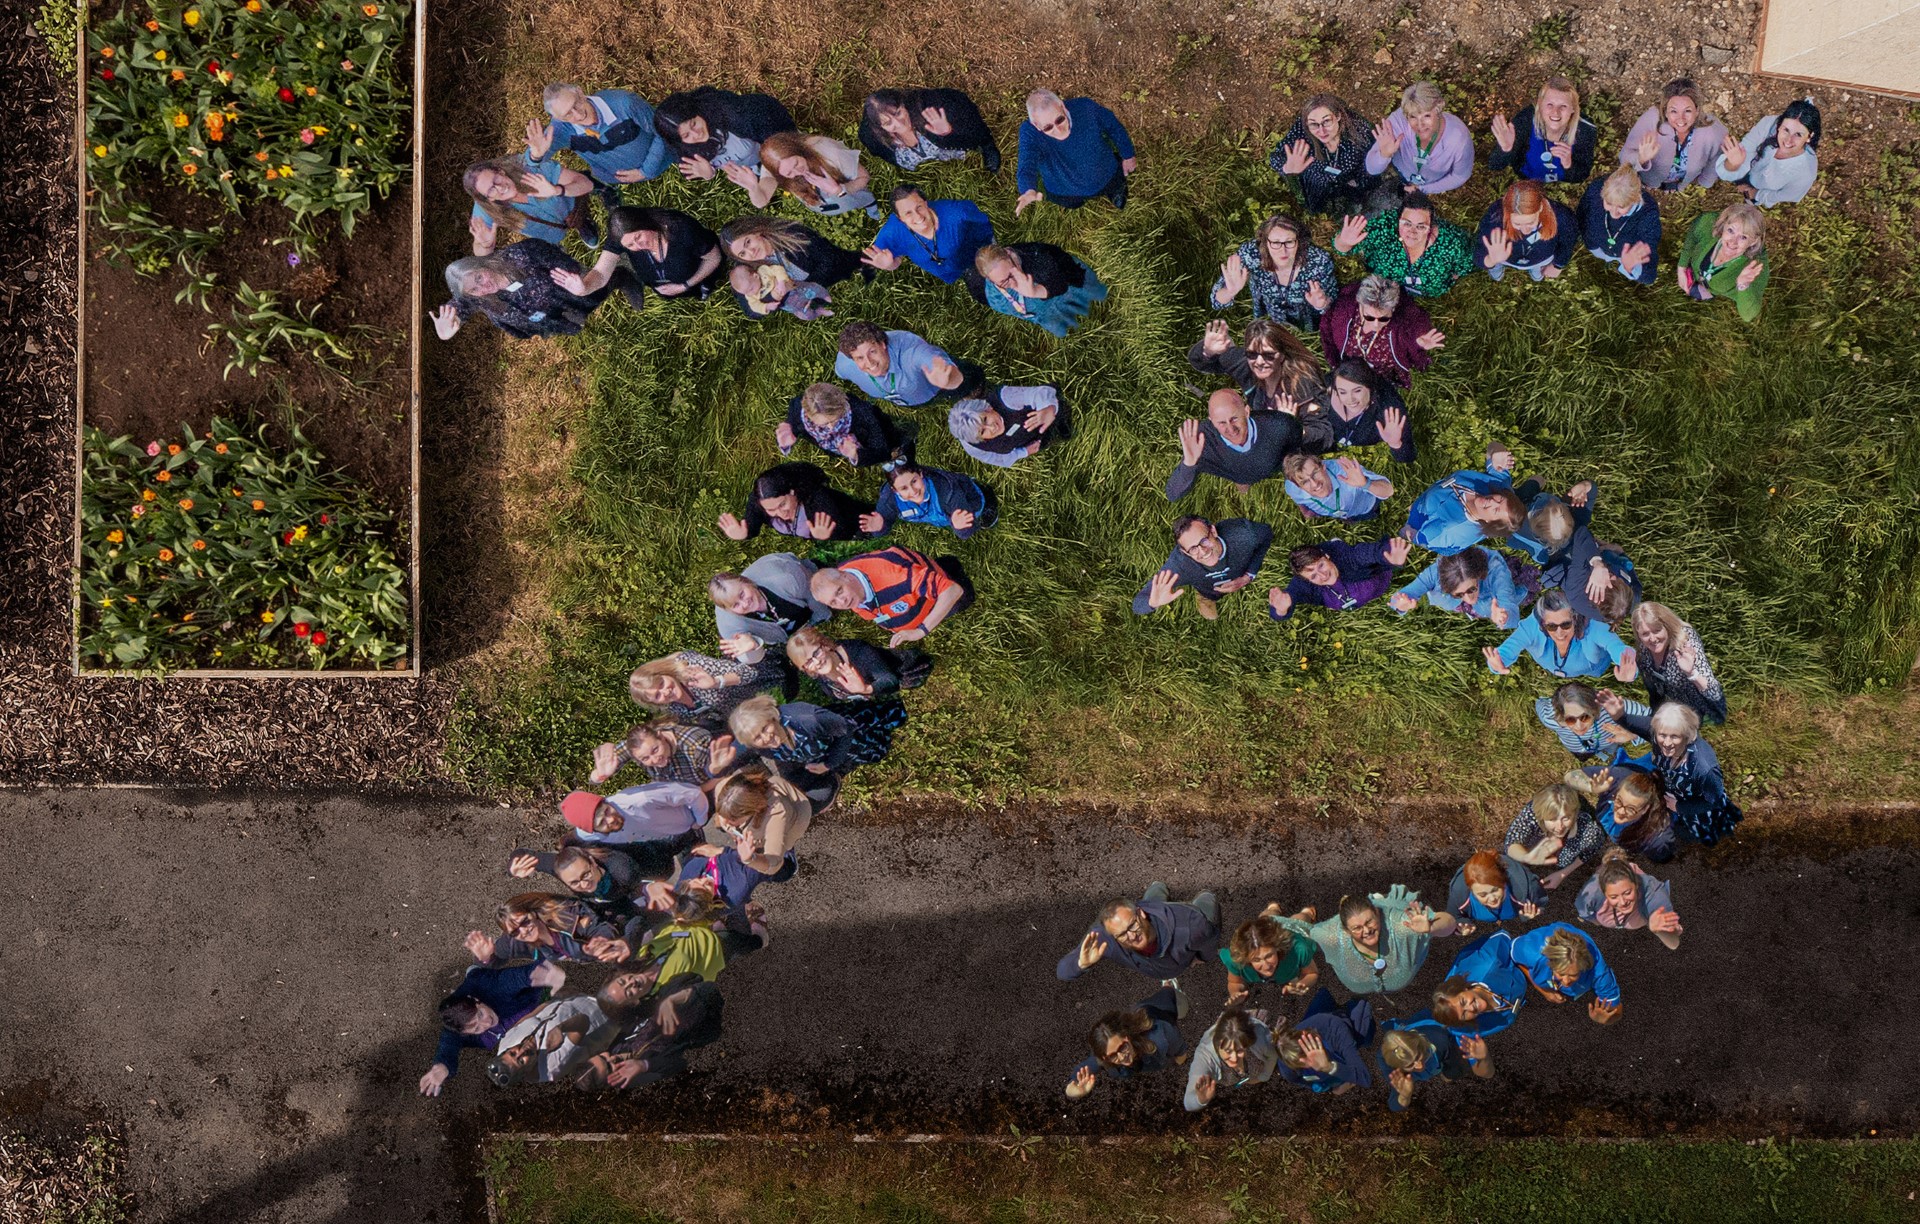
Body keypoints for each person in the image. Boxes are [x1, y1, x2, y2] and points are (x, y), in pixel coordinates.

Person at [1604, 696, 1743, 845]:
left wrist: (1679, 806)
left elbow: (1713, 801)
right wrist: (1618, 715)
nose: (1667, 743)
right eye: (1662, 735)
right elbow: (1635, 723)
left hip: (1696, 806)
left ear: (1687, 736)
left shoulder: (1704, 768)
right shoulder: (1659, 733)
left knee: (1694, 832)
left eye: (1675, 737)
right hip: (1673, 790)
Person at [419, 961, 564, 1096]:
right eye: (476, 1029)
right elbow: (448, 1046)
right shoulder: (456, 1030)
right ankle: (475, 973)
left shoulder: (492, 986)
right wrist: (443, 1066)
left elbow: (518, 976)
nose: (487, 1023)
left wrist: (545, 972)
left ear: (476, 1001)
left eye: (480, 1014)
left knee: (480, 974)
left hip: (522, 1003)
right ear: (464, 1033)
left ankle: (476, 969)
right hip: (506, 1030)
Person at [1057, 882, 1223, 998]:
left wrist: (1202, 957)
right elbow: (1062, 972)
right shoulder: (1105, 937)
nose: (1131, 936)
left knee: (1204, 908)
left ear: (1141, 913)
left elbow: (1209, 940)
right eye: (1122, 934)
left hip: (1185, 917)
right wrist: (1081, 964)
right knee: (1154, 899)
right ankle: (1158, 886)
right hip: (1164, 959)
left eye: (1132, 926)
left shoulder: (1189, 925)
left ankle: (1206, 896)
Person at [576, 971, 727, 1092]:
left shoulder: (617, 1046)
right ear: (611, 1081)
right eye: (609, 1067)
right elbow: (680, 1063)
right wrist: (644, 1065)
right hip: (711, 1005)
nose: (611, 1058)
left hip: (687, 985)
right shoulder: (641, 1075)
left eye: (603, 1057)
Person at [1296, 886, 1457, 997]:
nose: (1366, 931)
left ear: (1378, 914)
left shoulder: (1403, 926)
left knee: (1390, 904)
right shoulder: (1331, 936)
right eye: (1357, 928)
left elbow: (1449, 922)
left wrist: (1430, 927)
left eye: (1369, 922)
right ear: (1345, 930)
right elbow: (1298, 928)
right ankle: (1309, 911)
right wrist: (1303, 916)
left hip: (1391, 911)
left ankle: (1381, 901)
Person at [432, 242, 608, 341]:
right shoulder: (478, 298)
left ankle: (620, 278)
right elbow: (458, 305)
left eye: (479, 278)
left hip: (565, 294)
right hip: (545, 318)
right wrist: (446, 326)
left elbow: (562, 263)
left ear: (481, 265)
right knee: (573, 327)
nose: (483, 287)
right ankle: (578, 323)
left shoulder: (520, 256)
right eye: (474, 289)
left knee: (594, 298)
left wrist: (577, 281)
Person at [551, 207, 724, 307]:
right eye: (630, 246)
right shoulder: (621, 236)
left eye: (639, 237)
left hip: (694, 273)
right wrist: (585, 288)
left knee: (705, 283)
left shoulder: (681, 230)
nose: (639, 246)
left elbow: (713, 258)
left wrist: (685, 285)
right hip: (663, 282)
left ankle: (705, 287)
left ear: (647, 224)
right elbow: (602, 272)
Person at [728, 694, 903, 790]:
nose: (766, 738)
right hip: (821, 749)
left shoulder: (807, 720)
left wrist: (829, 764)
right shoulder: (761, 747)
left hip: (846, 732)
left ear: (772, 716)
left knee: (879, 744)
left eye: (765, 728)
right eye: (757, 738)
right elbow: (732, 754)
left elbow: (847, 730)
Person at [529, 83, 671, 202]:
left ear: (580, 92)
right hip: (618, 178)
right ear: (557, 118)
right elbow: (527, 167)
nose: (578, 115)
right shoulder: (560, 130)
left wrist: (645, 171)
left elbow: (663, 131)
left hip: (665, 160)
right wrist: (536, 156)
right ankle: (606, 189)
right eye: (568, 114)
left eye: (576, 104)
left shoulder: (625, 104)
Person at [810, 545, 973, 646]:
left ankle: (950, 570)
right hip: (911, 602)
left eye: (839, 591)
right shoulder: (849, 585)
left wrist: (921, 631)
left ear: (845, 575)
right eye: (833, 602)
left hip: (933, 598)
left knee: (963, 597)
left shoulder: (896, 578)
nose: (842, 601)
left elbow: (952, 591)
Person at [1331, 192, 1474, 298]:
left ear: (1431, 226)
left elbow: (1465, 265)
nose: (1412, 232)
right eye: (1407, 224)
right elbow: (1342, 249)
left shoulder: (1452, 242)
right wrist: (1343, 242)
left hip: (1428, 296)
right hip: (1384, 292)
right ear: (1397, 219)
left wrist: (1450, 277)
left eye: (1421, 226)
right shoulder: (1384, 228)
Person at [1209, 212, 1339, 328]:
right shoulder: (1252, 254)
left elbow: (1333, 303)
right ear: (1265, 242)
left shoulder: (1319, 261)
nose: (1283, 250)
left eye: (1289, 242)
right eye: (1276, 243)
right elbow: (1216, 301)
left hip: (1308, 323)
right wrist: (1230, 292)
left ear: (1299, 241)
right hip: (1267, 319)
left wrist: (1321, 304)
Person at [1015, 90, 1136, 214]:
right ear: (1036, 125)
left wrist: (1128, 155)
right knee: (1073, 203)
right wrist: (1028, 190)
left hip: (1105, 173)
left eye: (1060, 119)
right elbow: (1026, 163)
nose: (1058, 129)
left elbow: (1113, 126)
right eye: (1048, 127)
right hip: (1064, 190)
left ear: (1062, 106)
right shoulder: (1029, 133)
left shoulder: (1085, 107)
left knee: (1115, 184)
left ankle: (1115, 192)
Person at [1164, 389, 1296, 501]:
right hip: (1235, 471)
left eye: (1234, 419)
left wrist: (1288, 422)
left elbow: (1300, 447)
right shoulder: (1202, 442)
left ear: (1246, 411)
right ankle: (1243, 485)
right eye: (1221, 423)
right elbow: (1173, 494)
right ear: (1212, 422)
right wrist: (1188, 464)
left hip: (1271, 465)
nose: (1231, 429)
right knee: (1243, 479)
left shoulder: (1277, 426)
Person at [1133, 515, 1274, 620]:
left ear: (1213, 531)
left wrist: (1248, 576)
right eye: (1193, 549)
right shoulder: (1180, 565)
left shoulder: (1245, 535)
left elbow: (1267, 535)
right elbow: (1137, 604)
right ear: (1184, 552)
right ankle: (1204, 598)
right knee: (1211, 617)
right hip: (1208, 591)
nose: (1203, 551)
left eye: (1204, 541)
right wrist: (1153, 602)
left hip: (1240, 573)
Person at [550, 784, 706, 877]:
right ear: (594, 831)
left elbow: (692, 793)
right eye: (602, 822)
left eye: (606, 811)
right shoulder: (589, 835)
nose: (610, 819)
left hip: (689, 824)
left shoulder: (639, 799)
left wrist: (700, 821)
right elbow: (578, 835)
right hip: (661, 838)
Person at [1485, 590, 1639, 682]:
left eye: (1566, 624)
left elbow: (1617, 647)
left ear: (1576, 618)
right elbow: (1511, 646)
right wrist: (1498, 663)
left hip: (1595, 669)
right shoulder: (1531, 626)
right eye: (1551, 626)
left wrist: (1631, 668)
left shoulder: (1594, 626)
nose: (1559, 633)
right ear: (1542, 623)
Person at [1318, 276, 1443, 388]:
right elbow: (1327, 328)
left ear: (1393, 309)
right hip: (1349, 372)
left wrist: (1418, 343)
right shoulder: (1344, 310)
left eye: (1384, 318)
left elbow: (1416, 327)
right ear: (1360, 306)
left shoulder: (1405, 318)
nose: (1376, 324)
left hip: (1384, 380)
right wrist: (1334, 363)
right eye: (1369, 317)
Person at [1064, 987, 1186, 1099]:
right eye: (1113, 1055)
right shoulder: (1104, 1053)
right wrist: (1075, 1091)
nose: (1122, 1056)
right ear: (1104, 1057)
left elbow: (1181, 1053)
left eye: (1122, 1047)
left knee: (1183, 1009)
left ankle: (1170, 984)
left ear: (1128, 1036)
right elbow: (1082, 1071)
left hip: (1167, 1005)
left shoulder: (1161, 1035)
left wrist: (1178, 1063)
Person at [463, 153, 597, 255]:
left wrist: (558, 190)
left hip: (571, 208)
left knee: (577, 215)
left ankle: (582, 223)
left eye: (496, 179)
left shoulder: (531, 168)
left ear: (500, 171)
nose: (499, 187)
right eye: (490, 190)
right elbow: (479, 250)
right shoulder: (486, 209)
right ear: (487, 199)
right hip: (549, 234)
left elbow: (585, 183)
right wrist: (486, 245)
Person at [653, 86, 795, 180]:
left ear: (699, 112)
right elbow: (692, 171)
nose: (696, 134)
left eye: (694, 124)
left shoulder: (738, 117)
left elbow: (782, 140)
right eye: (686, 136)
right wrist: (709, 174)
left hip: (779, 150)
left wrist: (774, 169)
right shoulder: (684, 150)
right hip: (755, 170)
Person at [1403, 446, 1525, 556]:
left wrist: (1407, 531)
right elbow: (1492, 448)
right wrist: (1497, 450)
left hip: (1426, 525)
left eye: (1496, 510)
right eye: (1500, 500)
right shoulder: (1498, 485)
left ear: (1489, 522)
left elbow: (1417, 538)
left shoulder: (1449, 529)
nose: (1492, 501)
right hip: (1427, 499)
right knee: (1534, 484)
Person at [861, 186, 995, 286]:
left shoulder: (958, 213)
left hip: (970, 252)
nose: (917, 216)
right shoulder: (893, 233)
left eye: (919, 207)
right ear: (899, 218)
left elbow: (983, 226)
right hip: (946, 272)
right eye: (908, 213)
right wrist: (890, 265)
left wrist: (988, 254)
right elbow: (890, 260)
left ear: (925, 203)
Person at [1271, 94, 1379, 215]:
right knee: (1316, 207)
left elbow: (1372, 161)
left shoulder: (1360, 132)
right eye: (1314, 124)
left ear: (1338, 116)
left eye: (1326, 121)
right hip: (1316, 182)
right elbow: (1275, 157)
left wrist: (1359, 182)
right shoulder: (1302, 131)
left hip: (1349, 183)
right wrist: (1287, 168)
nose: (1321, 131)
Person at [697, 762, 815, 873]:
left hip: (793, 821)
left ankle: (788, 854)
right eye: (722, 813)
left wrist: (750, 859)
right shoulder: (728, 789)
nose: (726, 822)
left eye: (732, 818)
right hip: (755, 817)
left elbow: (774, 863)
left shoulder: (776, 816)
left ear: (752, 810)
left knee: (776, 844)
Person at [718, 462, 878, 543]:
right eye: (771, 510)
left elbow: (844, 529)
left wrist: (827, 536)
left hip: (857, 525)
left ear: (792, 492)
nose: (780, 513)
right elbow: (752, 525)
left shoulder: (819, 500)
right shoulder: (759, 503)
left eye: (782, 505)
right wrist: (744, 534)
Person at [972, 243, 1109, 337]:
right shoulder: (992, 295)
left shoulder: (1037, 257)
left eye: (1012, 273)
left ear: (1009, 254)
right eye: (1003, 282)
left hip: (1070, 288)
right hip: (1046, 315)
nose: (1013, 282)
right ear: (990, 280)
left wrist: (1036, 292)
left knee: (1099, 297)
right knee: (1071, 330)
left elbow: (1062, 283)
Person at [1189, 319, 1324, 413]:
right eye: (1252, 354)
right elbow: (1198, 361)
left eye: (1268, 355)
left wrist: (1288, 424)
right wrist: (1208, 352)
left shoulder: (1303, 384)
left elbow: (1323, 436)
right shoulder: (1246, 364)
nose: (1259, 361)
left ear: (1283, 355)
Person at [1365, 81, 1475, 195]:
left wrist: (1424, 189)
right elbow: (1371, 169)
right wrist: (1384, 155)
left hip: (1431, 183)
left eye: (1426, 116)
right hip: (1399, 173)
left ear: (1438, 111)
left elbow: (1460, 176)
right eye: (1413, 117)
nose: (1420, 124)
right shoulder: (1397, 122)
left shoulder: (1459, 139)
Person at [485, 993, 617, 1087]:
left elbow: (529, 1017)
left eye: (512, 1053)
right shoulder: (552, 1066)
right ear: (526, 1072)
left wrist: (554, 1000)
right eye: (521, 1061)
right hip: (604, 1015)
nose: (521, 1052)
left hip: (577, 998)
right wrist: (561, 1028)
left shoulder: (505, 1043)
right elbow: (583, 1022)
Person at [737, 130, 878, 218]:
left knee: (862, 200)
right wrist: (753, 188)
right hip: (824, 203)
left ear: (799, 150)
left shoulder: (830, 154)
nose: (798, 172)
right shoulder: (777, 166)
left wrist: (840, 190)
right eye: (788, 173)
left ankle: (872, 208)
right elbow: (761, 202)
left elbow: (864, 177)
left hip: (850, 192)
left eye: (796, 164)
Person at [1620, 78, 1728, 192]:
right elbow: (1624, 156)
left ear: (1697, 111)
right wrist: (1641, 159)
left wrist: (1705, 182)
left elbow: (1716, 158)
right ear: (1665, 111)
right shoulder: (1651, 120)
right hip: (1649, 180)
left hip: (1682, 181)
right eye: (1673, 111)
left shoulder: (1713, 131)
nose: (1680, 119)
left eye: (1688, 111)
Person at [627, 649, 785, 727]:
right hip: (746, 714)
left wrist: (717, 682)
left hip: (769, 684)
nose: (665, 692)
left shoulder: (692, 668)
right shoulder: (675, 708)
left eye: (661, 684)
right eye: (657, 696)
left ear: (663, 672)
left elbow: (748, 673)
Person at [468, 893, 632, 968]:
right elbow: (493, 961)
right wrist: (485, 958)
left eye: (525, 922)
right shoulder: (516, 941)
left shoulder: (567, 916)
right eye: (515, 932)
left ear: (533, 913)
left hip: (627, 932)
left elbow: (601, 927)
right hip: (599, 958)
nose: (523, 931)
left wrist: (602, 941)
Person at [708, 554, 830, 653]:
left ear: (747, 582)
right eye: (736, 605)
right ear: (729, 611)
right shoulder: (730, 626)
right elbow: (750, 659)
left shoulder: (785, 578)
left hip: (806, 581)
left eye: (742, 594)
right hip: (784, 638)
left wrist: (820, 621)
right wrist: (753, 644)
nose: (745, 604)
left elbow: (814, 594)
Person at [833, 321, 971, 408]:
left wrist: (947, 380)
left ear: (882, 344)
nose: (869, 363)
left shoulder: (913, 355)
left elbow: (955, 377)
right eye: (860, 358)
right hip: (909, 398)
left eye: (872, 351)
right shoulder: (845, 365)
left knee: (970, 380)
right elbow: (839, 371)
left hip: (938, 388)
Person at [1267, 537, 1410, 621]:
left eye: (1321, 565)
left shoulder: (1346, 558)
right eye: (1313, 576)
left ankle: (1333, 544)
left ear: (1326, 556)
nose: (1323, 576)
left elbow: (1366, 553)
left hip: (1378, 582)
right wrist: (1281, 610)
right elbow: (1278, 612)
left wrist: (1387, 557)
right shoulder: (1302, 584)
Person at [859, 87, 1000, 171]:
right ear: (880, 128)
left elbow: (973, 126)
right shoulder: (874, 138)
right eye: (888, 123)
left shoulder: (931, 108)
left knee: (981, 140)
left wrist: (948, 132)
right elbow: (883, 154)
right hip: (930, 167)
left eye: (898, 113)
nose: (900, 124)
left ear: (904, 103)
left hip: (956, 144)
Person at [1632, 602, 1727, 725]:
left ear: (1667, 626)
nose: (1652, 639)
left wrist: (1691, 673)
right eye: (1645, 634)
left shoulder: (1685, 642)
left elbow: (1715, 693)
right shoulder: (1643, 647)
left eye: (1657, 631)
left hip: (1702, 710)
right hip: (1670, 705)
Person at [1489, 76, 1598, 183]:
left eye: (1563, 106)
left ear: (1573, 108)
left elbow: (1582, 175)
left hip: (1562, 178)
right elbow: (1494, 165)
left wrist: (1568, 164)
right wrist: (1506, 149)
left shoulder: (1585, 130)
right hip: (1526, 175)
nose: (1555, 112)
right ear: (1540, 104)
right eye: (1550, 104)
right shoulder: (1524, 122)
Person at [779, 383, 911, 471]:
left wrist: (856, 455)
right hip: (839, 449)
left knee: (895, 440)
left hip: (881, 435)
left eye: (836, 420)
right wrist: (790, 433)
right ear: (807, 415)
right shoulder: (799, 408)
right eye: (823, 425)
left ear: (842, 404)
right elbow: (793, 418)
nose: (831, 428)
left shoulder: (864, 414)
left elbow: (881, 450)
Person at [1301, 361, 1415, 462]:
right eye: (1343, 392)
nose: (1350, 399)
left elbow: (1407, 456)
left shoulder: (1389, 412)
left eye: (1357, 391)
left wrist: (1395, 443)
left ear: (1370, 389)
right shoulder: (1321, 395)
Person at [1509, 923, 1623, 1023]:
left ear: (1584, 968)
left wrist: (1605, 1019)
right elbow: (1513, 957)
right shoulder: (1531, 951)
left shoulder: (1599, 973)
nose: (1566, 981)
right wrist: (1543, 990)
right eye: (1561, 973)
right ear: (1550, 963)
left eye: (1573, 975)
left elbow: (1616, 1011)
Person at [785, 625, 931, 703]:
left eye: (816, 653)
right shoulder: (820, 676)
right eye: (808, 662)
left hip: (899, 671)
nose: (817, 662)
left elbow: (890, 679)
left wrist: (865, 689)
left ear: (825, 646)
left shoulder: (857, 651)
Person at [1717, 98, 1821, 206]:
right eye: (1786, 130)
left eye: (1798, 134)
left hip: (1761, 189)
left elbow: (1784, 195)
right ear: (1779, 126)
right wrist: (1733, 165)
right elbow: (1744, 154)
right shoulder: (1769, 125)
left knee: (1750, 202)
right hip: (1748, 172)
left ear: (1810, 136)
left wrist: (1756, 194)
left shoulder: (1806, 173)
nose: (1788, 141)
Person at [1504, 781, 1607, 890]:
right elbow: (1512, 841)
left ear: (1575, 813)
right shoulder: (1533, 813)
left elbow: (1590, 851)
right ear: (1541, 816)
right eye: (1552, 819)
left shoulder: (1589, 831)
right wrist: (1525, 857)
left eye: (1566, 818)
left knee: (1564, 861)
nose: (1560, 826)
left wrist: (1562, 874)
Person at [721, 214, 866, 291]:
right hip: (812, 287)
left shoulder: (791, 235)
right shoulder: (753, 267)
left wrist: (807, 289)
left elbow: (829, 259)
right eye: (743, 254)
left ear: (756, 231)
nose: (751, 252)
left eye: (748, 242)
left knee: (853, 262)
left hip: (835, 269)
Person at [1272, 989, 1377, 1094]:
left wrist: (1329, 1067)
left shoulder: (1334, 1030)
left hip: (1341, 1026)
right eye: (1303, 1065)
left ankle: (1356, 1002)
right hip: (1318, 1022)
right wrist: (1326, 1087)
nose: (1313, 1064)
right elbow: (1299, 1080)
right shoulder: (1287, 1067)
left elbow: (1365, 1078)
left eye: (1309, 1055)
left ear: (1307, 1035)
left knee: (1366, 1037)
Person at [1676, 203, 1769, 321]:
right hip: (1694, 273)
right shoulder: (1708, 222)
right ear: (1723, 225)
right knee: (1694, 288)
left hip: (1714, 288)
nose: (1733, 242)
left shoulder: (1755, 268)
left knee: (1702, 291)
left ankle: (1710, 292)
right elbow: (1692, 236)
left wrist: (1743, 285)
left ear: (1753, 241)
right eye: (1731, 231)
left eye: (1743, 237)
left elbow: (1748, 315)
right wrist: (1682, 267)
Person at [1577, 847, 1683, 950]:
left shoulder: (1654, 896)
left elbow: (1674, 943)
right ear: (1604, 892)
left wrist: (1659, 930)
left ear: (1636, 884)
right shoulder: (1589, 895)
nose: (1623, 902)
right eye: (1614, 897)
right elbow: (1584, 912)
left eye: (1627, 893)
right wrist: (1595, 921)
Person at [1428, 931, 1529, 1039]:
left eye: (1463, 1002)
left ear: (1464, 988)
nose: (1470, 1008)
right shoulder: (1472, 1027)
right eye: (1464, 1014)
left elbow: (1506, 939)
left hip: (1495, 964)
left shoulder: (1491, 962)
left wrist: (1533, 977)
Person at [1571, 764, 1679, 863]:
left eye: (1631, 809)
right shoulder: (1617, 778)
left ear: (1645, 809)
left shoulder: (1657, 837)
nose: (1621, 811)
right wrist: (1591, 787)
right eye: (1618, 800)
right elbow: (1571, 776)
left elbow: (1662, 856)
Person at [1390, 546, 1523, 626]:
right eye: (1459, 594)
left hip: (1490, 601)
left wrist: (1504, 617)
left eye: (1472, 589)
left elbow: (1509, 604)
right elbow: (1397, 598)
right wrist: (1400, 604)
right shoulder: (1434, 573)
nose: (1469, 599)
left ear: (1479, 574)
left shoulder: (1497, 572)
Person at [1474, 180, 1577, 281]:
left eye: (1530, 223)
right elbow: (1478, 252)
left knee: (1537, 275)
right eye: (1517, 224)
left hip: (1541, 260)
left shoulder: (1561, 216)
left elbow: (1568, 242)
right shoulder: (1495, 217)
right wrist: (1492, 260)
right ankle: (1497, 268)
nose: (1525, 230)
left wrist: (1557, 265)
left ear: (1540, 208)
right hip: (1504, 260)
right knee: (1495, 267)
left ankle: (1535, 271)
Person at [1377, 1020, 1491, 1111]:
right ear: (1398, 1066)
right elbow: (1394, 1105)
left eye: (1418, 1057)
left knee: (1455, 1070)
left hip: (1436, 1034)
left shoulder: (1440, 1039)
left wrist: (1450, 1075)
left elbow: (1456, 1062)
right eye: (1410, 1064)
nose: (1419, 1065)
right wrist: (1405, 1095)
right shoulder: (1389, 1066)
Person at [1219, 905, 1321, 1006]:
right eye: (1256, 960)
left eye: (1269, 956)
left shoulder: (1298, 949)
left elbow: (1311, 973)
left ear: (1277, 948)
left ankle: (1306, 913)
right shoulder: (1235, 961)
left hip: (1289, 930)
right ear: (1246, 958)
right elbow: (1235, 983)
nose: (1266, 966)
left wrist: (1302, 984)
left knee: (1299, 921)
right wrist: (1235, 993)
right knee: (1267, 918)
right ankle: (1273, 909)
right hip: (1267, 927)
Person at [1577, 164, 1661, 285]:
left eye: (1621, 207)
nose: (1614, 212)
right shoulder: (1595, 190)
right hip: (1594, 245)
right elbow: (1582, 212)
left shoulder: (1648, 214)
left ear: (1635, 199)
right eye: (1609, 203)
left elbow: (1649, 276)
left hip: (1622, 256)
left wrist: (1629, 266)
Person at [946, 387, 1069, 468]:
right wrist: (1023, 452)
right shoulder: (973, 446)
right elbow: (995, 458)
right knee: (1046, 440)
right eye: (983, 431)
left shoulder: (1006, 398)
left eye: (985, 419)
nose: (992, 427)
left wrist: (1049, 409)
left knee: (1061, 415)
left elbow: (1039, 392)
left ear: (988, 408)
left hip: (1041, 413)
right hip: (1027, 440)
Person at [589, 721, 733, 789]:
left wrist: (694, 792)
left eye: (655, 750)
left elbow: (722, 773)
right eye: (645, 758)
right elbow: (595, 778)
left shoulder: (694, 745)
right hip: (678, 792)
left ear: (661, 736)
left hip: (710, 786)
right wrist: (600, 775)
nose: (654, 760)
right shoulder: (637, 748)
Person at [1185, 1008, 1278, 1111]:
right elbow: (1188, 1102)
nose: (1234, 1058)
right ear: (1217, 1044)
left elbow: (1273, 1056)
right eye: (1228, 1051)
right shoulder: (1205, 1058)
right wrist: (1200, 1100)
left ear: (1247, 1044)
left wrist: (1263, 1077)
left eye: (1239, 1051)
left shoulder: (1259, 1039)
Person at [871, 463, 997, 539]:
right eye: (904, 488)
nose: (913, 491)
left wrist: (961, 528)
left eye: (914, 481)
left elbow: (969, 528)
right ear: (895, 490)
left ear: (921, 474)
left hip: (970, 501)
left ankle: (984, 496)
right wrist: (880, 528)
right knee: (948, 517)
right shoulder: (888, 499)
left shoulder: (948, 492)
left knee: (979, 508)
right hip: (941, 515)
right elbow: (884, 523)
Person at [1534, 681, 1647, 761]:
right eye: (1570, 720)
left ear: (1596, 708)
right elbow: (1540, 703)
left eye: (1585, 717)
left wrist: (1633, 735)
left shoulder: (1613, 709)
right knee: (1581, 756)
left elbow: (1655, 723)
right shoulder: (1549, 718)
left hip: (1607, 741)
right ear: (1561, 713)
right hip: (1576, 747)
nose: (1579, 727)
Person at [1446, 850, 1546, 927]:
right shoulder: (1458, 894)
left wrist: (1527, 916)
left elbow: (1542, 905)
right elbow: (1454, 916)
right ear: (1470, 890)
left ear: (1503, 880)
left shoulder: (1528, 888)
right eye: (1482, 895)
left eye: (1495, 890)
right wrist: (1463, 923)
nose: (1492, 899)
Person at [1280, 453, 1396, 520]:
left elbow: (1388, 490)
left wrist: (1365, 483)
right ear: (1298, 485)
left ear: (1323, 466)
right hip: (1340, 514)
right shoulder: (1292, 487)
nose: (1315, 484)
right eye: (1305, 482)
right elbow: (1298, 499)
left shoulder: (1346, 472)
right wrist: (1305, 511)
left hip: (1366, 508)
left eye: (1315, 473)